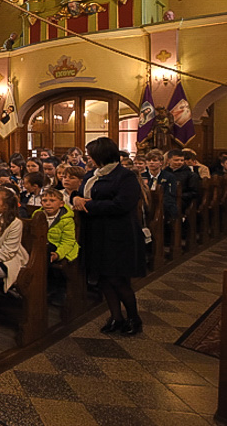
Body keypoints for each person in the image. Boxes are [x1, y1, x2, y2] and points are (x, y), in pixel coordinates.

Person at [73, 137, 145, 335]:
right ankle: (116, 317)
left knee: (118, 280)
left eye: (91, 155)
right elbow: (78, 195)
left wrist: (88, 205)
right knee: (103, 279)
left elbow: (122, 204)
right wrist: (77, 198)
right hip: (96, 234)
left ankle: (134, 319)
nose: (88, 158)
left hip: (117, 235)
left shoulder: (125, 177)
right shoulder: (91, 175)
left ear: (102, 155)